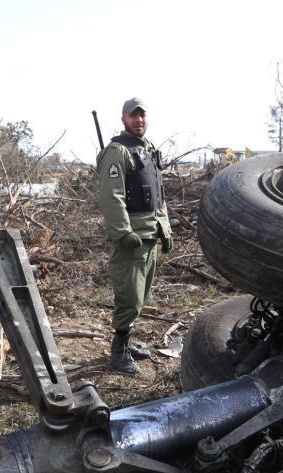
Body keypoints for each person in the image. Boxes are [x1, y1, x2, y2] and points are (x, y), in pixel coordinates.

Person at [96, 97, 173, 374]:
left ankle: (127, 342)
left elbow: (157, 194)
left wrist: (165, 229)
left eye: (142, 115)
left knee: (141, 295)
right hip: (133, 238)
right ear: (123, 119)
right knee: (129, 296)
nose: (138, 120)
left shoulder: (148, 149)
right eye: (133, 116)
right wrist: (123, 232)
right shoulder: (118, 152)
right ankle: (118, 353)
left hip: (150, 234)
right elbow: (111, 197)